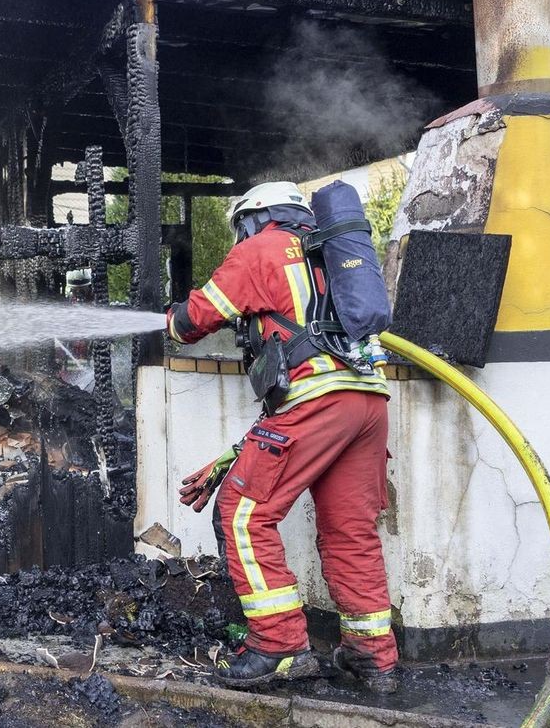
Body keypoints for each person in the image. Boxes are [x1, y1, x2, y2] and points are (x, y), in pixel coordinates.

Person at [166, 181, 399, 692]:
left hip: (316, 401)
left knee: (243, 513)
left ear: (256, 217)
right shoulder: (331, 251)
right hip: (367, 401)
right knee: (349, 531)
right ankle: (372, 657)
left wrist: (167, 318)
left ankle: (277, 645)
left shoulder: (261, 249)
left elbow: (192, 322)